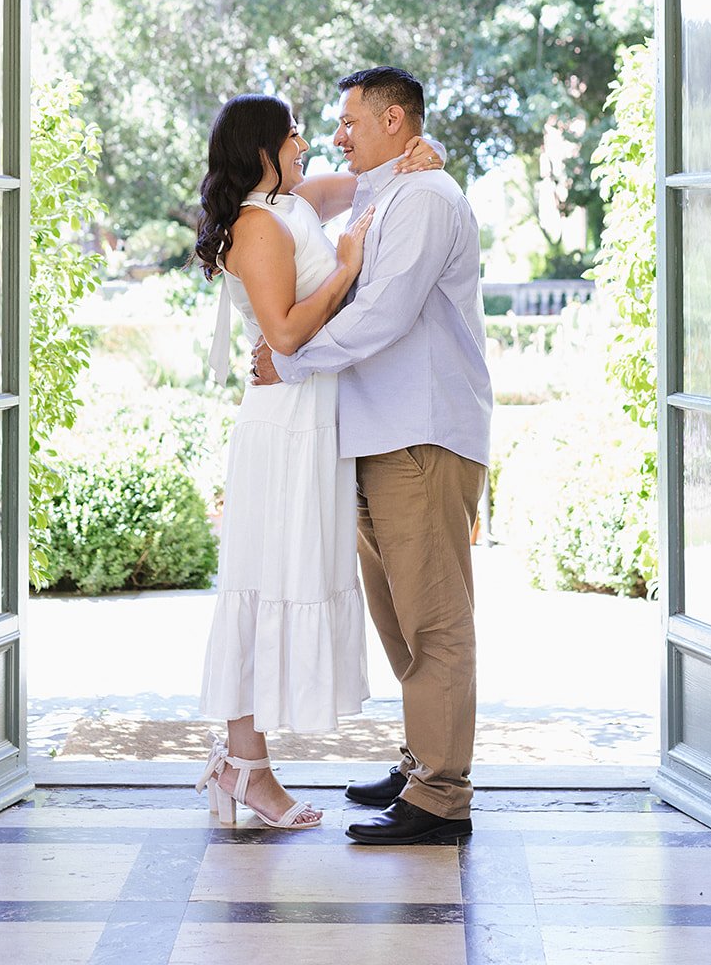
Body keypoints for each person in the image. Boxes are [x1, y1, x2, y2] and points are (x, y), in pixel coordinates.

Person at [252, 66, 492, 847]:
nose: (337, 134)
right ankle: (423, 759)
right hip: (374, 436)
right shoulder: (382, 191)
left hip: (418, 435)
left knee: (435, 622)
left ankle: (440, 795)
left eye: (351, 121)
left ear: (395, 121)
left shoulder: (424, 197)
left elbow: (384, 314)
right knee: (400, 617)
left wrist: (288, 362)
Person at [193, 91, 442, 830]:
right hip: (284, 429)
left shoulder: (293, 202)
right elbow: (288, 336)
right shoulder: (258, 224)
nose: (310, 145)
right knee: (261, 588)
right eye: (296, 134)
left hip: (312, 423)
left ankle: (242, 767)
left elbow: (368, 180)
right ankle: (249, 771)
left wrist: (422, 157)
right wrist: (346, 265)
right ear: (264, 146)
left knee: (276, 585)